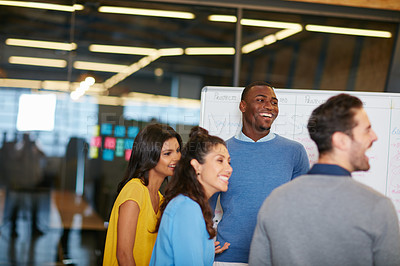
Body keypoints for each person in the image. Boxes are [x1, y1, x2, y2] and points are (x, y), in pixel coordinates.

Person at [249, 93, 400, 266]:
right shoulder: (377, 207)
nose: (374, 136)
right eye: (367, 129)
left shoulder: (275, 200)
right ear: (341, 141)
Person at [210, 81, 310, 264]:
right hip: (229, 256)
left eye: (274, 102)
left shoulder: (294, 151)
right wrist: (204, 243)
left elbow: (303, 207)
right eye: (260, 100)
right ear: (243, 106)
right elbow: (204, 205)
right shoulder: (220, 151)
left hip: (277, 256)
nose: (269, 106)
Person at [150, 127, 233, 265]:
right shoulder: (187, 208)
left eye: (228, 162)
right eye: (220, 161)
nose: (229, 168)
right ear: (197, 166)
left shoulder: (194, 206)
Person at [103, 123, 182, 266]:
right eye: (167, 153)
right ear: (149, 156)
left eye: (177, 150)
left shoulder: (161, 199)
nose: (176, 157)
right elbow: (124, 255)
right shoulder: (135, 190)